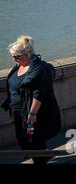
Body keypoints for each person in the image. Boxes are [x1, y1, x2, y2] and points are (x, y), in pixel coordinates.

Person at [1, 36, 61, 165]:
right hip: (17, 111)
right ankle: (45, 155)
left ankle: (42, 159)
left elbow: (39, 93)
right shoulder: (17, 67)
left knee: (32, 139)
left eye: (18, 56)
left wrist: (32, 114)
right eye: (13, 56)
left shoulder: (37, 69)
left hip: (30, 112)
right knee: (22, 138)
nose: (15, 59)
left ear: (28, 54)